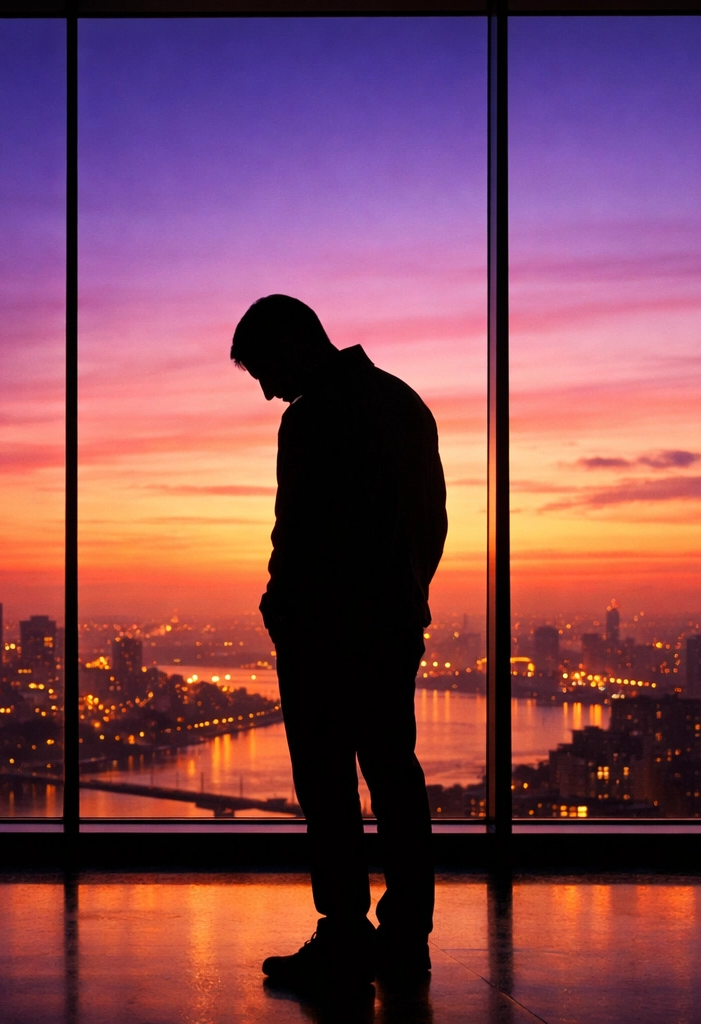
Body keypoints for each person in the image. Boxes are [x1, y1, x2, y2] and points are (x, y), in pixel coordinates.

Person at [231, 294, 447, 996]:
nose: (266, 389)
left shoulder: (312, 418)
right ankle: (406, 936)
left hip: (323, 632)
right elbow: (430, 522)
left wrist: (282, 605)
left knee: (327, 784)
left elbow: (295, 533)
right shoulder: (402, 403)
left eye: (264, 368)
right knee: (394, 775)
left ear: (295, 343)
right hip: (388, 628)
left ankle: (345, 932)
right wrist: (404, 600)